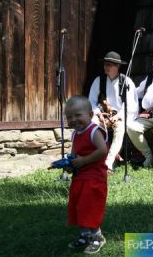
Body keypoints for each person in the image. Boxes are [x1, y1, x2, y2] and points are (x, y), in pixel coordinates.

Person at [62, 95, 108, 254]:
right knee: (78, 206)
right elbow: (75, 155)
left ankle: (97, 238)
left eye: (77, 115)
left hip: (94, 178)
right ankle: (85, 236)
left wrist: (84, 161)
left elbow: (102, 151)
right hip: (80, 177)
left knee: (90, 207)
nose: (73, 119)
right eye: (69, 117)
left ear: (90, 115)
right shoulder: (75, 134)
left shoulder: (93, 131)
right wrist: (71, 165)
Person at [88, 51, 139, 172]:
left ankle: (108, 163)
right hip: (102, 114)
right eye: (105, 64)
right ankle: (93, 159)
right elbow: (91, 102)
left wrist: (117, 117)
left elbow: (130, 105)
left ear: (117, 66)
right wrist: (99, 114)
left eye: (110, 65)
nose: (106, 67)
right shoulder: (98, 81)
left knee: (120, 129)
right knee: (92, 126)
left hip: (121, 115)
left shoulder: (126, 82)